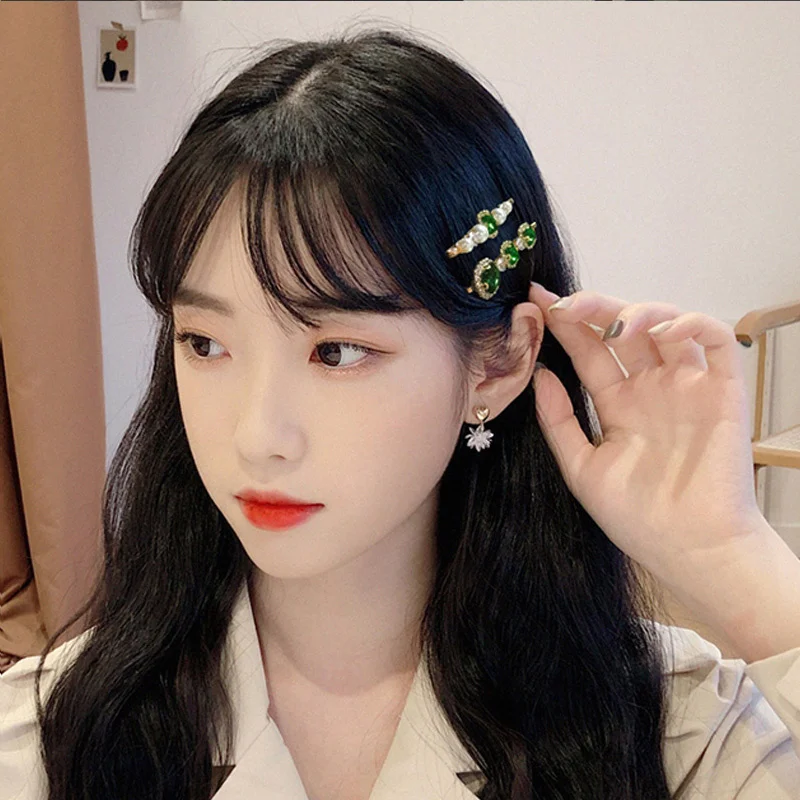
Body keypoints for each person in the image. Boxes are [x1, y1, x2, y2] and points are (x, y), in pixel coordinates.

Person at [2, 24, 800, 800]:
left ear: (499, 363)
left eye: (337, 352)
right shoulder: (53, 734)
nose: (257, 436)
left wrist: (734, 560)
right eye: (205, 343)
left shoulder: (670, 730)